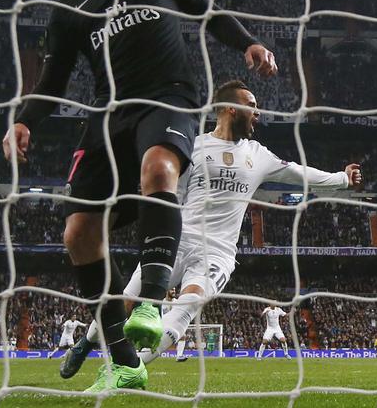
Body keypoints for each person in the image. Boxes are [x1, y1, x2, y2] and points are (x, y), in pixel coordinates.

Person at [3, 0, 277, 392]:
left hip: (167, 95)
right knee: (79, 234)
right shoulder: (68, 10)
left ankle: (150, 303)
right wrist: (24, 121)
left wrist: (249, 43)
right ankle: (123, 359)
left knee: (159, 168)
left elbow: (205, 8)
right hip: (108, 116)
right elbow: (52, 82)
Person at [62, 79, 361, 378]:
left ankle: (126, 371)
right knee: (126, 300)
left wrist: (342, 179)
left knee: (186, 308)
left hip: (217, 253)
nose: (258, 113)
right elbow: (171, 195)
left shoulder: (259, 155)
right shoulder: (193, 146)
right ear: (231, 108)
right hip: (179, 240)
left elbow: (300, 173)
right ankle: (85, 344)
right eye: (252, 106)